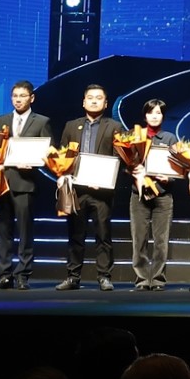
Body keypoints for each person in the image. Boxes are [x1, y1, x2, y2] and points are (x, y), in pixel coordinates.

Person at [58, 84, 125, 291]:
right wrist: (63, 174)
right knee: (75, 235)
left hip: (101, 191)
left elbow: (120, 158)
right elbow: (62, 154)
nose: (94, 101)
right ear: (83, 102)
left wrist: (104, 178)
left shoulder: (114, 126)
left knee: (103, 235)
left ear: (105, 103)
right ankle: (73, 277)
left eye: (98, 98)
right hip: (76, 190)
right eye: (90, 97)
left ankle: (104, 276)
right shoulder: (71, 126)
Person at [0, 79, 52, 290]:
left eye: (22, 96)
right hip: (2, 183)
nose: (18, 100)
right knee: (2, 231)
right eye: (15, 96)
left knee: (25, 231)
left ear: (31, 98)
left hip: (26, 183)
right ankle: (4, 274)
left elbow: (49, 153)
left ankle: (23, 274)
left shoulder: (42, 121)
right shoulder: (1, 120)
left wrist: (37, 161)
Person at [128, 98, 180, 291]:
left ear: (163, 116)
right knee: (139, 239)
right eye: (151, 112)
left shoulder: (170, 138)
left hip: (163, 196)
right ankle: (142, 279)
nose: (154, 116)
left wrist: (168, 178)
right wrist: (133, 171)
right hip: (139, 194)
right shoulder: (134, 136)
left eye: (158, 113)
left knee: (161, 241)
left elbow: (179, 167)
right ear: (145, 115)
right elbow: (125, 163)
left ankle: (158, 279)